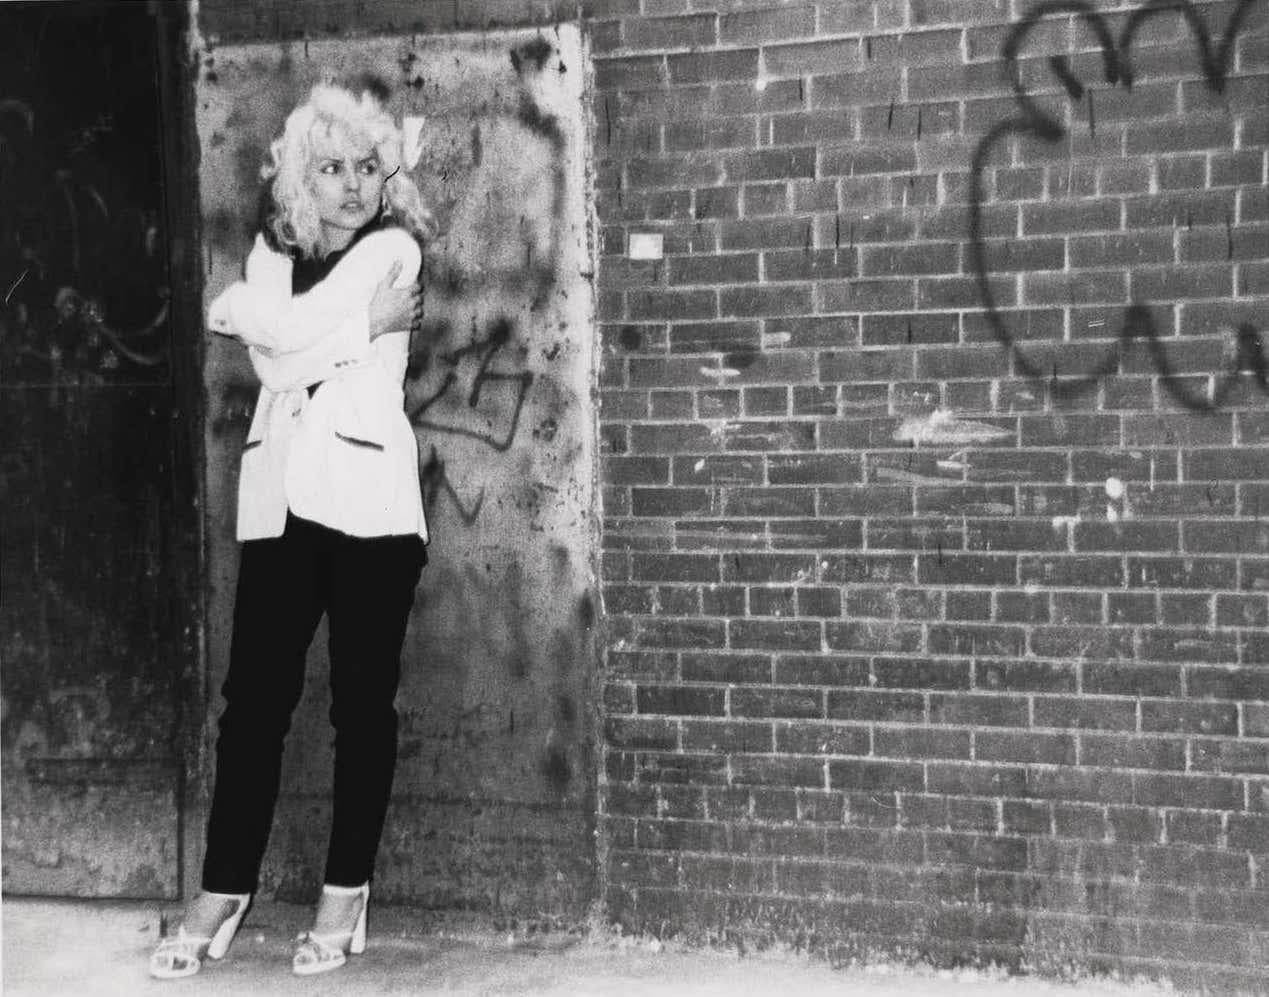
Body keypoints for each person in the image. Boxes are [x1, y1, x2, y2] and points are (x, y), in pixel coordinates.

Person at [149, 81, 432, 979]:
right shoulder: (274, 250)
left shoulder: (395, 252)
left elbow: (278, 341)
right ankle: (220, 893)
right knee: (253, 709)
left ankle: (345, 895)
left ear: (385, 179)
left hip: (370, 509)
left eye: (365, 167)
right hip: (278, 504)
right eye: (330, 167)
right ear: (299, 177)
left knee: (360, 706)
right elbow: (275, 357)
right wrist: (332, 332)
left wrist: (249, 315)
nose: (351, 183)